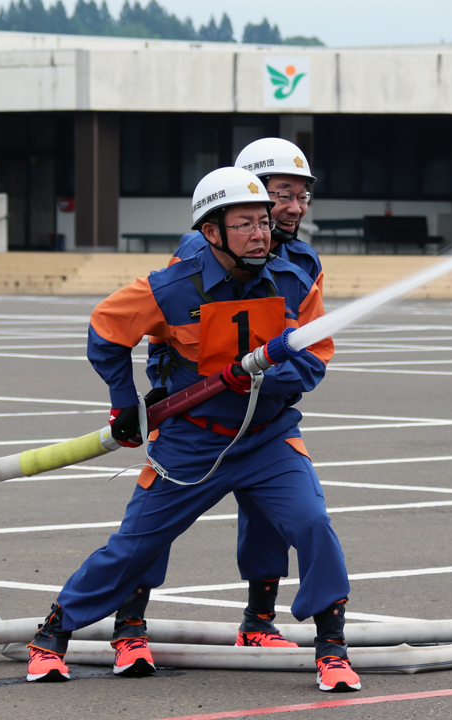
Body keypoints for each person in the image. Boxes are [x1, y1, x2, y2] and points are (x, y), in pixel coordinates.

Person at [24, 167, 360, 693]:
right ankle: (53, 634)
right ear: (211, 233)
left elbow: (313, 360)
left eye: (264, 222)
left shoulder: (294, 277)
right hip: (193, 440)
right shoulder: (173, 285)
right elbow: (106, 330)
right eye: (245, 223)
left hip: (268, 437)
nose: (261, 233)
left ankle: (332, 648)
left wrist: (261, 375)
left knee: (312, 523)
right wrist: (123, 407)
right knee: (136, 544)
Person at [114, 138, 322, 654]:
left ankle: (258, 622)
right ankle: (129, 626)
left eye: (301, 196)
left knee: (272, 518)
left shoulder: (302, 259)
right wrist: (130, 402)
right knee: (152, 524)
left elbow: (305, 344)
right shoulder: (200, 251)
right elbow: (157, 319)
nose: (291, 208)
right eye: (281, 195)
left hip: (260, 414)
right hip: (191, 413)